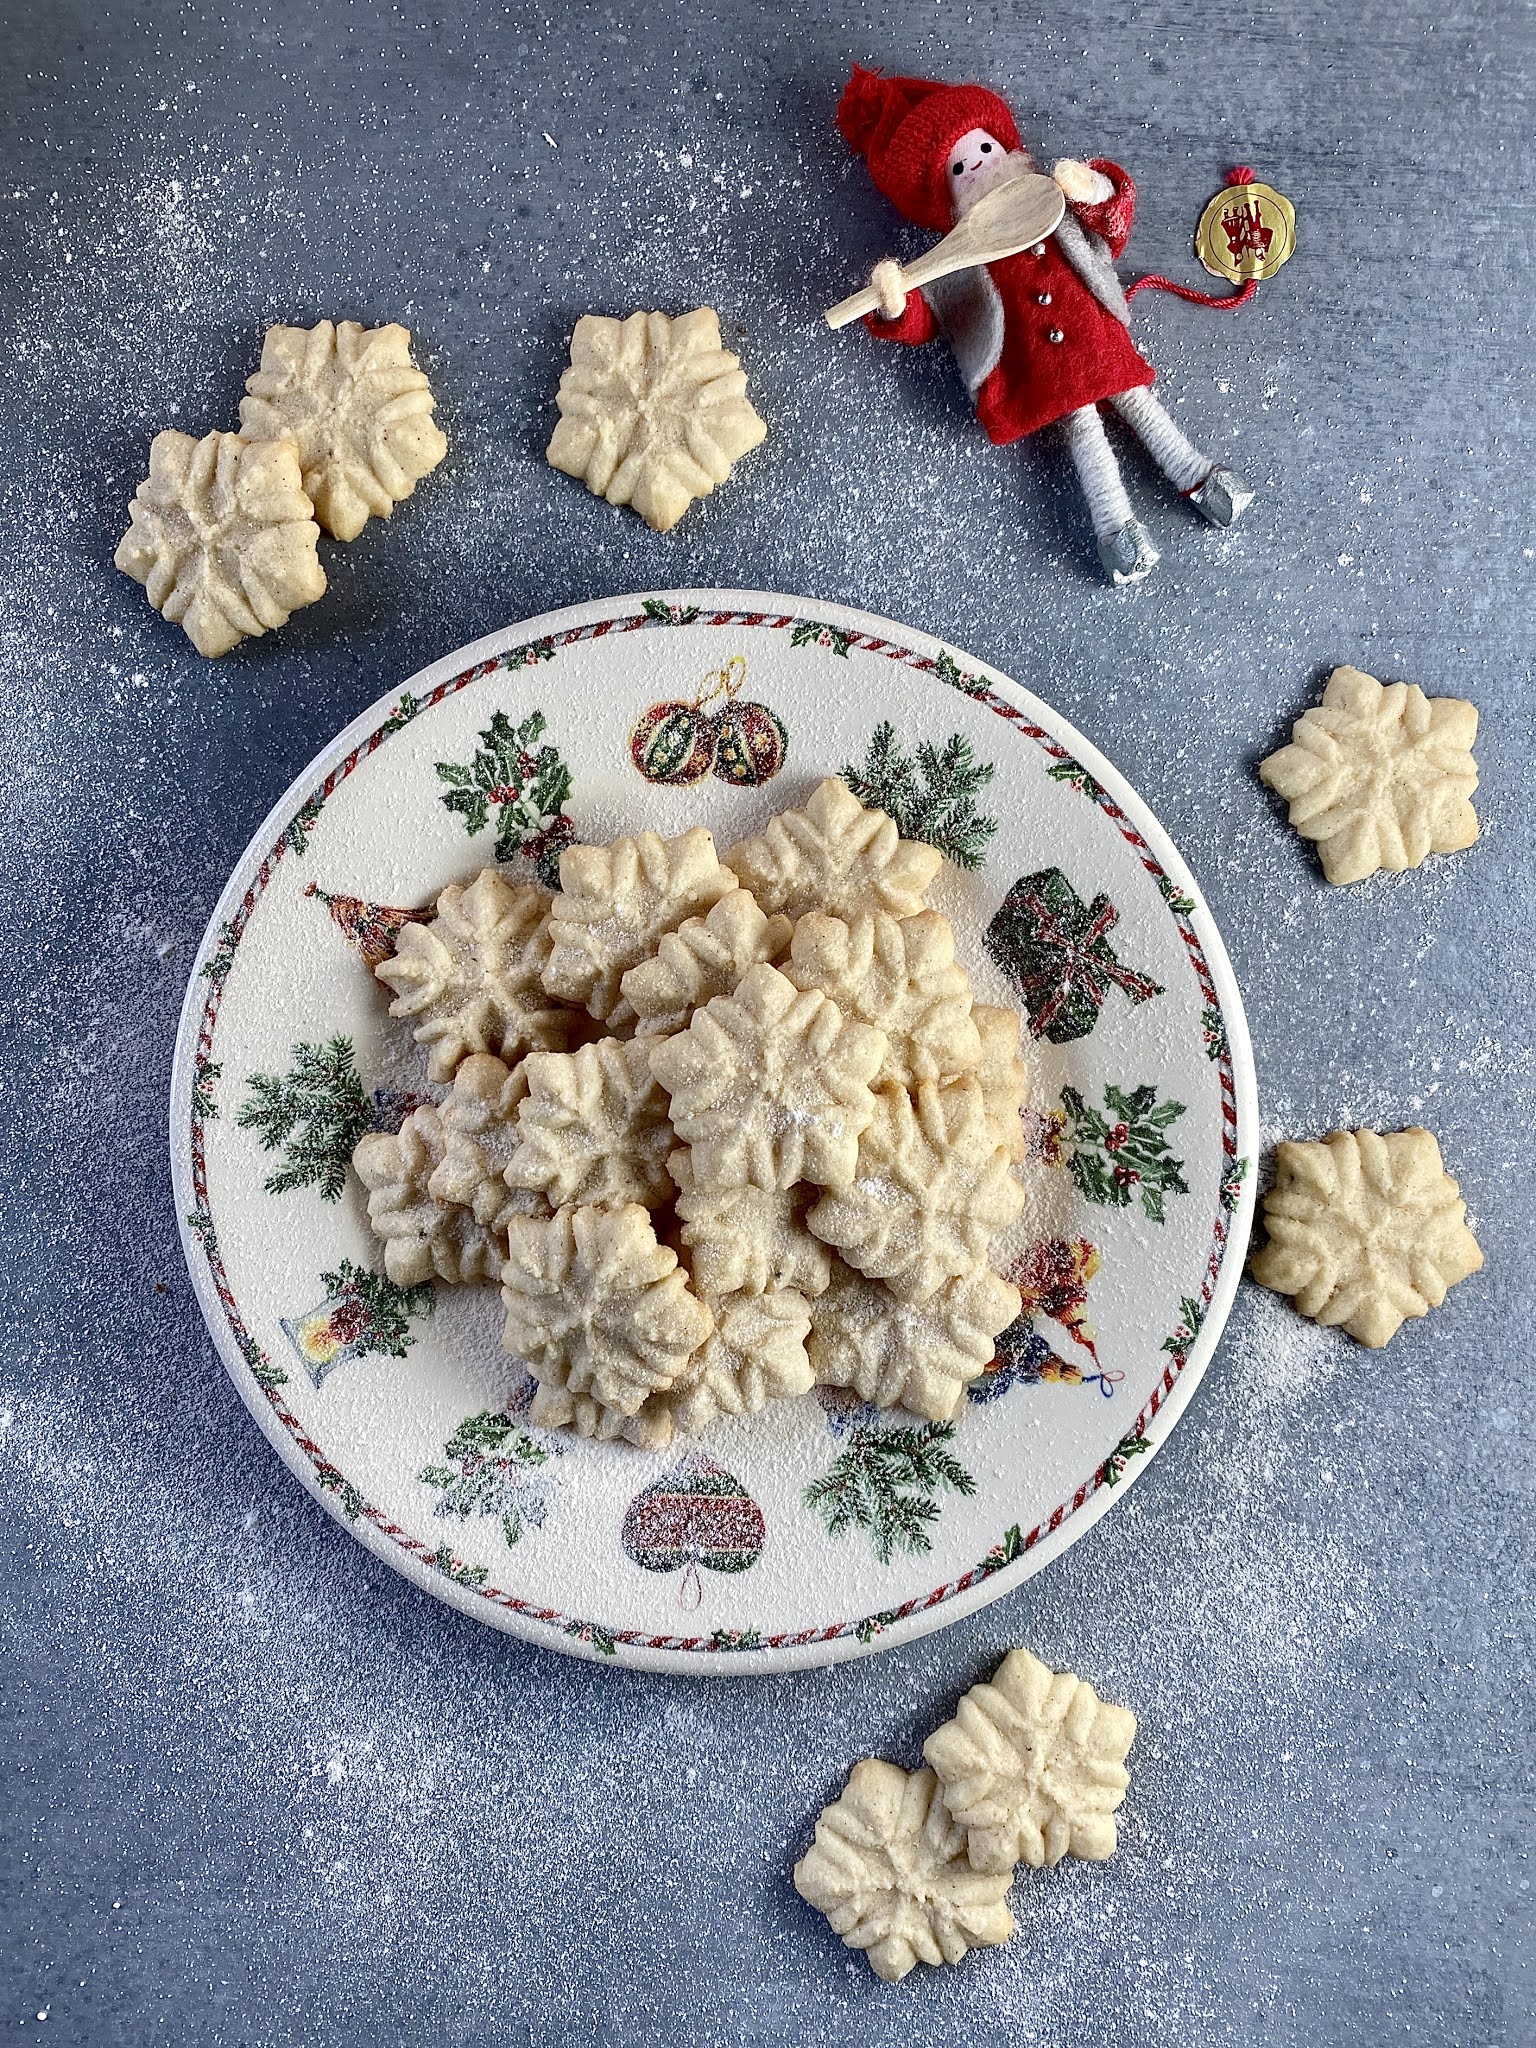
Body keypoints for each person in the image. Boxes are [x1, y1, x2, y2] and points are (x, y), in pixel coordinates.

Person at [838, 65, 1253, 585]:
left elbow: (1111, 229)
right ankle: (1117, 530)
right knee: (1082, 429)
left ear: (1009, 149)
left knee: (1140, 403)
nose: (979, 167)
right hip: (1043, 368)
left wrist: (1090, 190)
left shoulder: (1052, 212)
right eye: (962, 167)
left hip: (1098, 338)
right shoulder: (962, 258)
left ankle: (1201, 477)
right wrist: (898, 305)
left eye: (985, 150)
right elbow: (934, 317)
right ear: (947, 195)